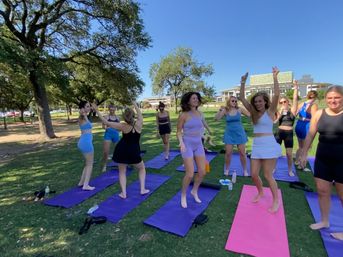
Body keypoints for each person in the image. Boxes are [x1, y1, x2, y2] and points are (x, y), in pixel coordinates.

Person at [299, 86, 343, 240]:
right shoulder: (319, 113)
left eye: (337, 97)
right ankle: (324, 221)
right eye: (330, 98)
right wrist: (304, 152)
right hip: (323, 158)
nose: (333, 100)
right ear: (325, 99)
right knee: (322, 191)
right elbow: (311, 134)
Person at [239, 67, 282, 213]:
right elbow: (242, 98)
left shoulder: (270, 112)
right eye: (255, 102)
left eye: (260, 101)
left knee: (268, 175)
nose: (257, 104)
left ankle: (276, 200)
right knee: (254, 174)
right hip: (257, 146)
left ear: (265, 102)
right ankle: (261, 192)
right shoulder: (253, 113)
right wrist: (243, 83)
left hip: (269, 145)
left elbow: (276, 94)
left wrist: (275, 77)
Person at [92, 101, 149, 199]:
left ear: (124, 117)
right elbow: (139, 114)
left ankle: (124, 193)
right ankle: (142, 189)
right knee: (141, 168)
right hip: (134, 151)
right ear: (133, 115)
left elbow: (106, 122)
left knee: (122, 172)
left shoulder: (122, 126)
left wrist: (97, 110)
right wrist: (135, 104)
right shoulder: (139, 123)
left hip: (122, 150)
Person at [177, 92, 211, 208]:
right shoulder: (183, 115)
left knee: (202, 172)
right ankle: (183, 195)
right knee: (190, 174)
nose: (196, 100)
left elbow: (200, 130)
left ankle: (194, 191)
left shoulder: (200, 114)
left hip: (198, 145)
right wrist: (181, 143)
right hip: (187, 145)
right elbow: (178, 132)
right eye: (193, 98)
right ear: (188, 101)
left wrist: (205, 137)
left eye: (197, 98)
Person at [215, 96, 250, 176]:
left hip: (240, 133)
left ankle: (245, 170)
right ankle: (227, 169)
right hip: (229, 134)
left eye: (235, 101)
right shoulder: (225, 110)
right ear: (228, 102)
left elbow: (250, 115)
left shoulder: (239, 109)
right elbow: (217, 119)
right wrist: (220, 110)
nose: (234, 102)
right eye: (232, 101)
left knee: (242, 153)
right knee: (228, 153)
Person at [274, 81, 299, 176]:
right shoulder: (278, 111)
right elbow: (275, 121)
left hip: (289, 134)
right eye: (281, 102)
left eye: (285, 102)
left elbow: (295, 99)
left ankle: (289, 170)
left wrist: (295, 88)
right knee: (275, 153)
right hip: (279, 133)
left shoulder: (292, 111)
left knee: (289, 154)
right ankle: (273, 168)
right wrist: (280, 113)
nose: (283, 103)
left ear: (288, 102)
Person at [295, 90, 318, 168]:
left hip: (299, 124)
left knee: (300, 146)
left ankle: (297, 160)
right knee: (306, 147)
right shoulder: (314, 105)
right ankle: (302, 165)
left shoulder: (301, 104)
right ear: (315, 97)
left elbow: (295, 114)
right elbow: (314, 119)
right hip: (306, 125)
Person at [77, 101, 95, 191]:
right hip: (86, 143)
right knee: (90, 164)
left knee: (87, 163)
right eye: (87, 106)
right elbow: (90, 125)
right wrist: (84, 114)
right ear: (82, 108)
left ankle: (81, 182)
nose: (89, 108)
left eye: (89, 106)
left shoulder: (84, 117)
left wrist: (84, 114)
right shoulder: (82, 117)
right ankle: (86, 185)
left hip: (84, 142)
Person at [101, 104, 120, 172]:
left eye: (113, 110)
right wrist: (106, 128)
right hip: (108, 134)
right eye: (111, 110)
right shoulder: (106, 117)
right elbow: (103, 126)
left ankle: (119, 165)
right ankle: (104, 165)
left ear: (115, 109)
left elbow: (119, 126)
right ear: (109, 109)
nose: (112, 111)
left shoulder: (118, 118)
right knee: (106, 152)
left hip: (116, 135)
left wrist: (118, 129)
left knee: (118, 151)